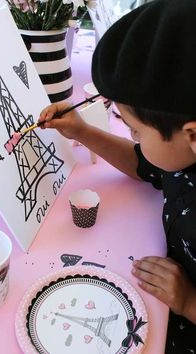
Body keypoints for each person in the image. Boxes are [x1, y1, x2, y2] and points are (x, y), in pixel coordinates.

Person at [38, 0, 196, 352]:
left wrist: (189, 303)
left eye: (135, 130)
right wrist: (82, 132)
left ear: (192, 134)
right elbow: (146, 164)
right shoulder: (181, 154)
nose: (132, 138)